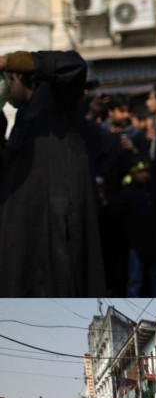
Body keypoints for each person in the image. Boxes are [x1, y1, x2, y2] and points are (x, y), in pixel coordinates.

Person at [0, 50, 105, 296]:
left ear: (17, 76)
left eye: (7, 80)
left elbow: (74, 65)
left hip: (54, 229)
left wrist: (9, 60)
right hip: (23, 239)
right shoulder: (21, 120)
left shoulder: (54, 99)